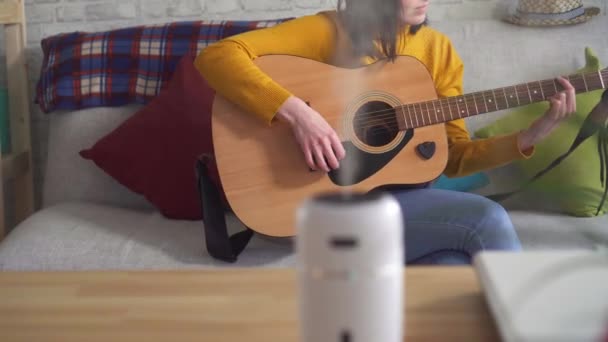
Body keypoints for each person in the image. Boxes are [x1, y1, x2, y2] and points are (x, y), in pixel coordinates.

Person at [194, 0, 577, 265]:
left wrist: (529, 137)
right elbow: (217, 57)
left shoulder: (438, 50)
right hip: (328, 207)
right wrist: (297, 115)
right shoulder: (330, 31)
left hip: (403, 207)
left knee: (453, 269)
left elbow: (455, 157)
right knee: (487, 219)